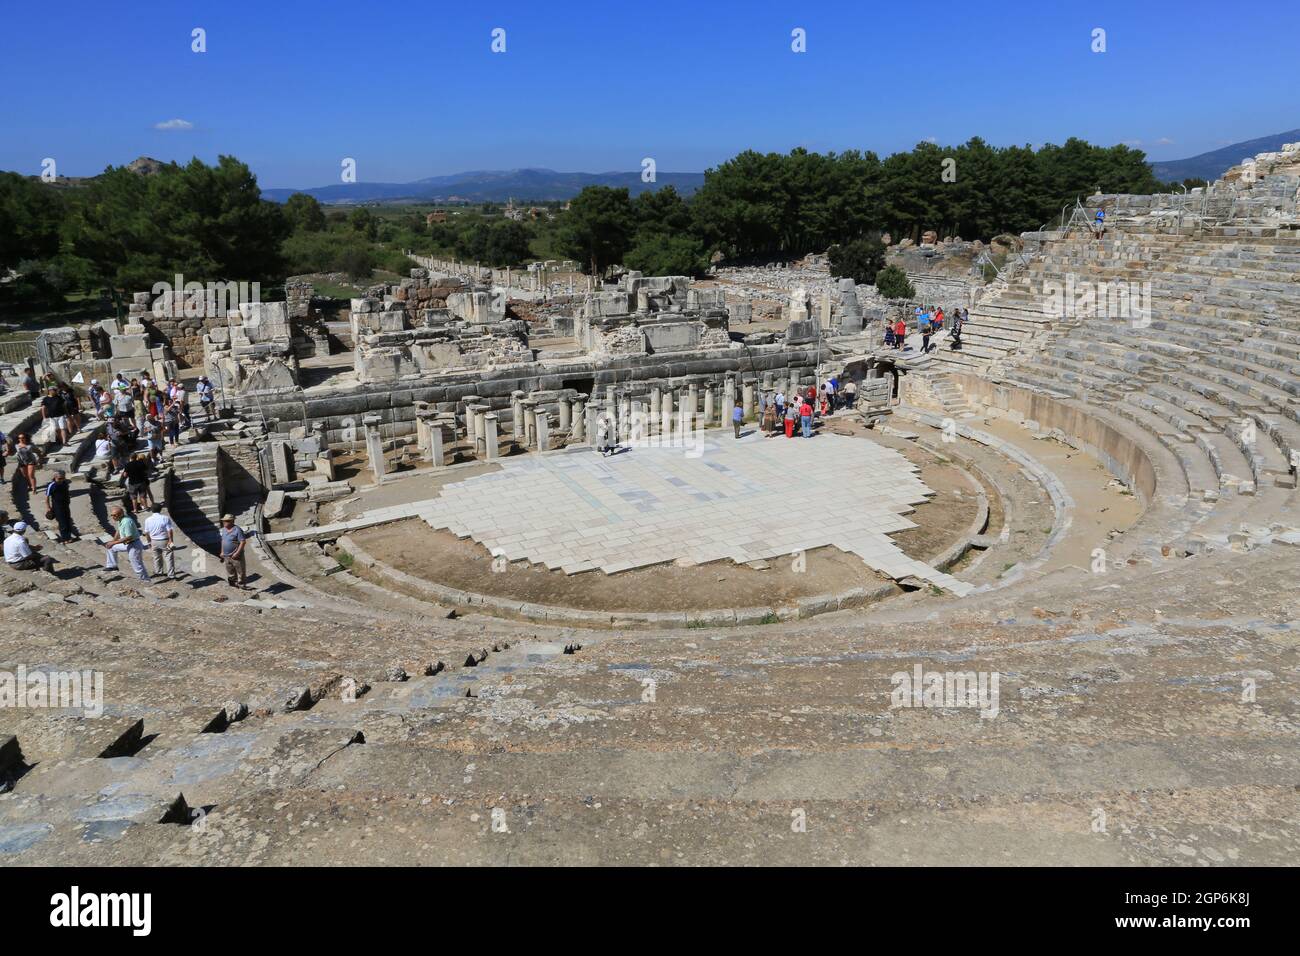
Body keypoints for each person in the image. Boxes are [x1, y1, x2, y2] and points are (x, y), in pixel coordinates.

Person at [103, 505, 150, 582]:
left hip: (134, 544)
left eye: (115, 515)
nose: (113, 517)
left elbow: (129, 537)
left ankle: (146, 581)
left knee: (137, 565)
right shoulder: (121, 519)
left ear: (121, 514)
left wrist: (113, 542)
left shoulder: (127, 522)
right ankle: (112, 566)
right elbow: (118, 531)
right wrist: (112, 542)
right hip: (128, 543)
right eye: (112, 515)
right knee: (111, 547)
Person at [142, 503, 177, 581]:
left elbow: (147, 532)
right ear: (160, 509)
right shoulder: (165, 518)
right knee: (168, 557)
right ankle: (171, 575)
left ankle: (159, 572)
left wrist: (149, 542)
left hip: (153, 540)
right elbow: (169, 530)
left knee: (156, 557)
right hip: (164, 540)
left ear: (151, 510)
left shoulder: (148, 520)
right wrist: (171, 540)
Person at [44, 469, 75, 542]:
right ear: (55, 477)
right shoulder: (51, 485)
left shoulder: (65, 483)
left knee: (68, 520)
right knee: (62, 522)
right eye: (60, 478)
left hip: (66, 505)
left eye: (63, 478)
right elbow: (47, 497)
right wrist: (48, 507)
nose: (62, 480)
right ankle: (65, 539)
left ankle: (68, 536)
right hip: (57, 507)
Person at [219, 514, 249, 589]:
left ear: (232, 521)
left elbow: (243, 542)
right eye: (223, 521)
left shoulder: (237, 530)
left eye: (226, 521)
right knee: (230, 571)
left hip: (236, 555)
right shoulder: (224, 529)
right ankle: (233, 585)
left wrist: (237, 553)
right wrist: (222, 551)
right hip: (226, 555)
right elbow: (223, 540)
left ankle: (242, 586)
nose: (224, 522)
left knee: (240, 571)